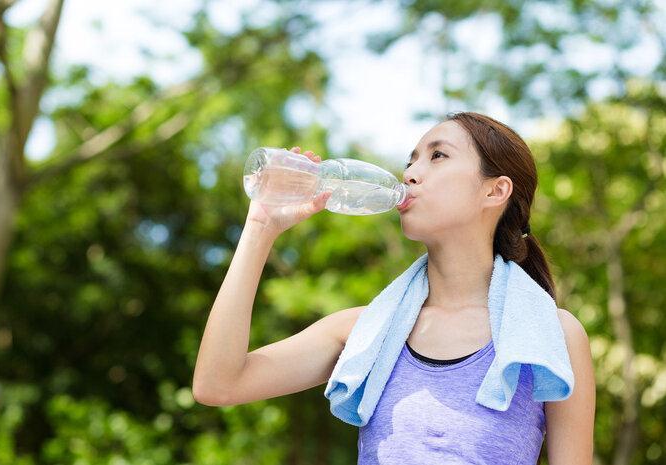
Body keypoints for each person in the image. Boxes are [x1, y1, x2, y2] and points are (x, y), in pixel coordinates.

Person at [192, 112, 596, 464]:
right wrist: (261, 226)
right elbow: (217, 384)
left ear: (495, 190)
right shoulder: (365, 331)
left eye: (438, 156)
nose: (411, 173)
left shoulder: (549, 336)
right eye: (411, 160)